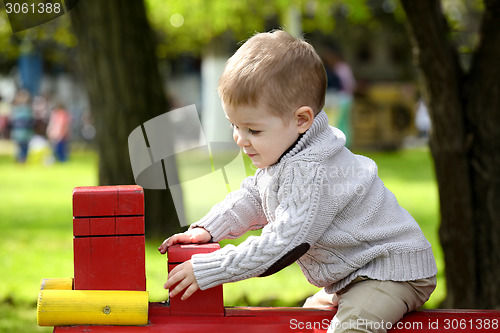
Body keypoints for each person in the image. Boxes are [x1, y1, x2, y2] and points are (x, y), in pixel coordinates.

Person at [158, 30, 437, 333]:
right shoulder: (287, 154)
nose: (240, 139)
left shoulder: (312, 169)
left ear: (301, 120)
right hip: (351, 274)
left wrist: (210, 269)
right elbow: (254, 197)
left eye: (254, 129)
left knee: (352, 329)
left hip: (389, 271)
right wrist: (208, 228)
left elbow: (282, 243)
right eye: (234, 125)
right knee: (301, 323)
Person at [9, 90, 34, 163]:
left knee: (22, 147)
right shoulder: (26, 110)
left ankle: (21, 159)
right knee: (22, 147)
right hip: (22, 132)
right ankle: (22, 159)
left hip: (20, 132)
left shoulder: (16, 110)